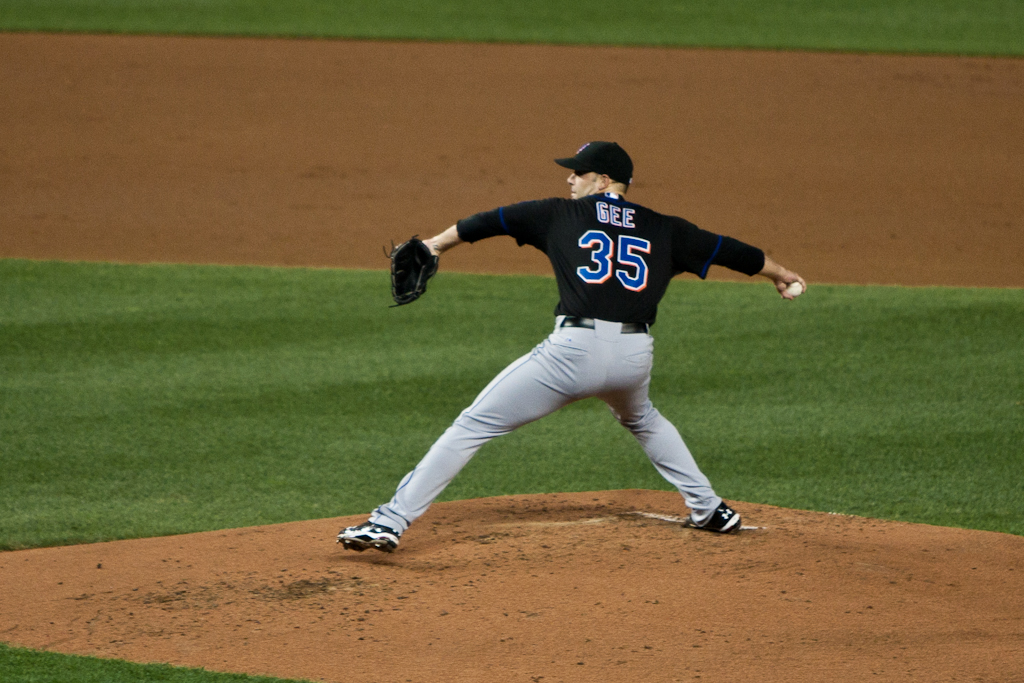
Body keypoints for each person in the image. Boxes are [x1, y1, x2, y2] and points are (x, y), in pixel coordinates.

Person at [339, 141, 806, 552]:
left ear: (602, 180)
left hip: (572, 352)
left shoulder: (556, 213)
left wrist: (436, 245)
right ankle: (711, 509)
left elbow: (488, 221)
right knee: (642, 419)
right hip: (633, 357)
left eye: (577, 172)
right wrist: (781, 275)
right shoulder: (667, 228)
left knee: (473, 425)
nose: (569, 178)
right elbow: (733, 251)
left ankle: (390, 521)